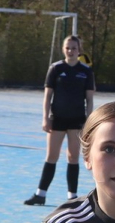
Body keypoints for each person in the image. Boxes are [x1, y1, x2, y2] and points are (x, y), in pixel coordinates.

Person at [24, 35, 95, 205]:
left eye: (74, 48)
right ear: (63, 49)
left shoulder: (86, 71)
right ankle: (40, 194)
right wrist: (45, 118)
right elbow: (47, 97)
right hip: (57, 119)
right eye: (68, 48)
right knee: (51, 156)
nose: (70, 51)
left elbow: (90, 100)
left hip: (77, 120)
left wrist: (88, 122)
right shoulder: (55, 69)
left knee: (73, 157)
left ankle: (72, 197)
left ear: (79, 50)